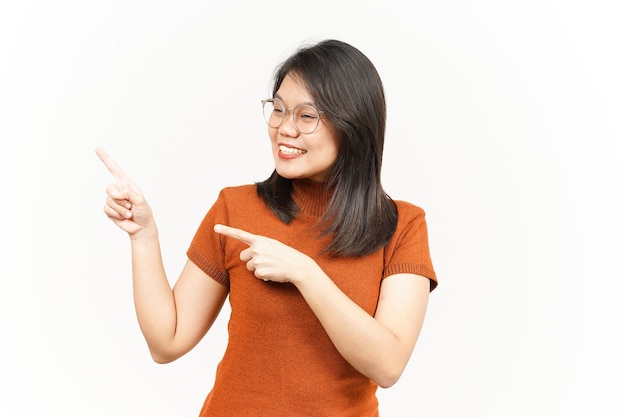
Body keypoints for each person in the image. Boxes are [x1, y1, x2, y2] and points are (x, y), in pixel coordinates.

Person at [97, 39, 437, 417]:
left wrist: (304, 272)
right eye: (278, 109)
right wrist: (143, 237)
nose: (284, 128)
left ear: (353, 126)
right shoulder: (236, 208)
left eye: (306, 116)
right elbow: (167, 341)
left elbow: (388, 365)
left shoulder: (401, 226)